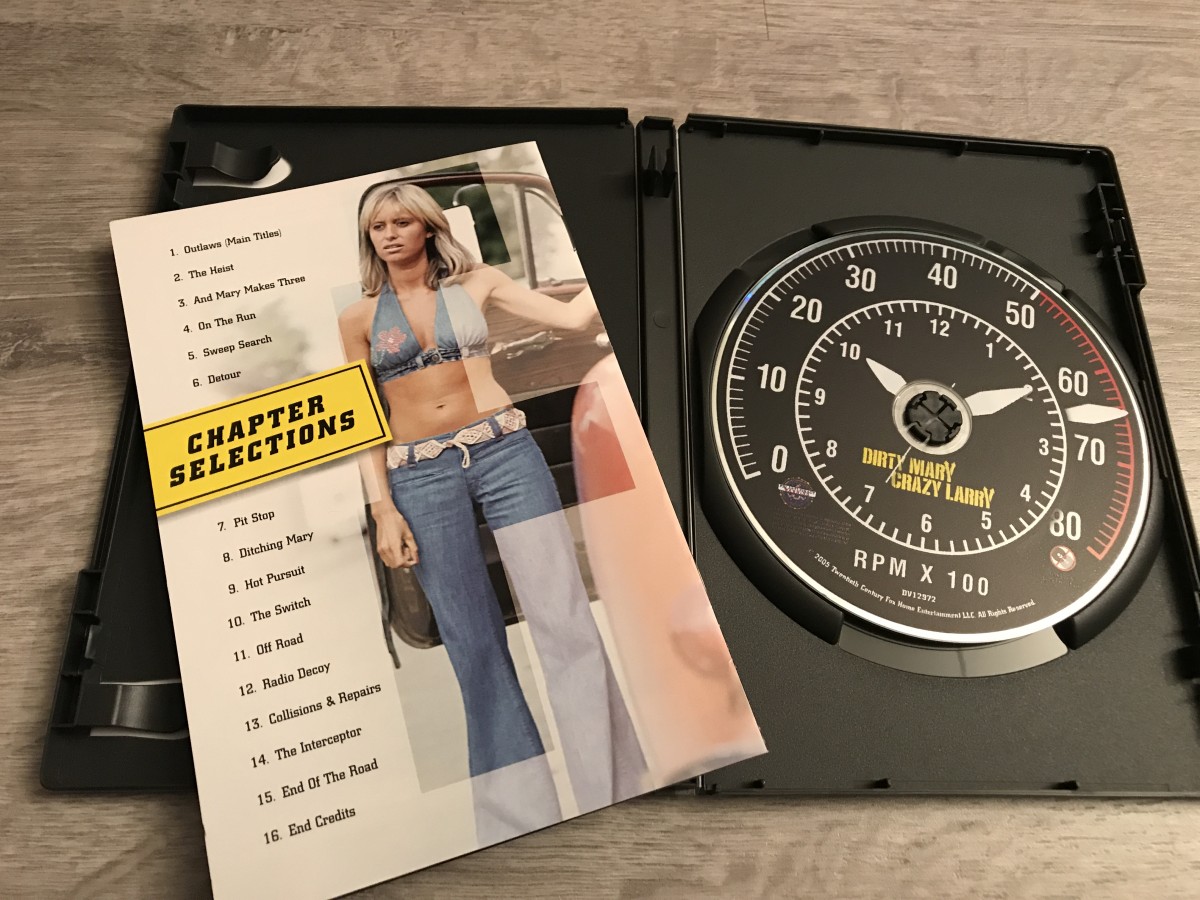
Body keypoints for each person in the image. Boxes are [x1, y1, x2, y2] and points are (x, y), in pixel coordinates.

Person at [338, 181, 646, 839]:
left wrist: (623, 248)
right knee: (472, 644)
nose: (389, 235)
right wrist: (383, 509)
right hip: (419, 477)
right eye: (378, 227)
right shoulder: (357, 319)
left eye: (401, 222)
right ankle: (517, 817)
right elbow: (363, 422)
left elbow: (574, 321)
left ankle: (613, 787)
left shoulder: (479, 282)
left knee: (564, 620)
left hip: (505, 453)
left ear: (427, 227)